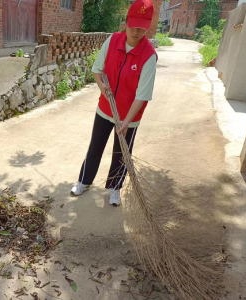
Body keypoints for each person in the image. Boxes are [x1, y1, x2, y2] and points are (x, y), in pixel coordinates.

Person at [70, 0, 157, 206]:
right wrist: (102, 87)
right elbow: (97, 70)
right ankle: (84, 181)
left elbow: (142, 95)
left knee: (121, 154)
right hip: (105, 108)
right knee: (95, 147)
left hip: (130, 116)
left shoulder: (149, 56)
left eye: (141, 27)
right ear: (125, 22)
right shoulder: (113, 41)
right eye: (132, 25)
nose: (135, 31)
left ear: (148, 27)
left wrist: (126, 121)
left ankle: (115, 188)